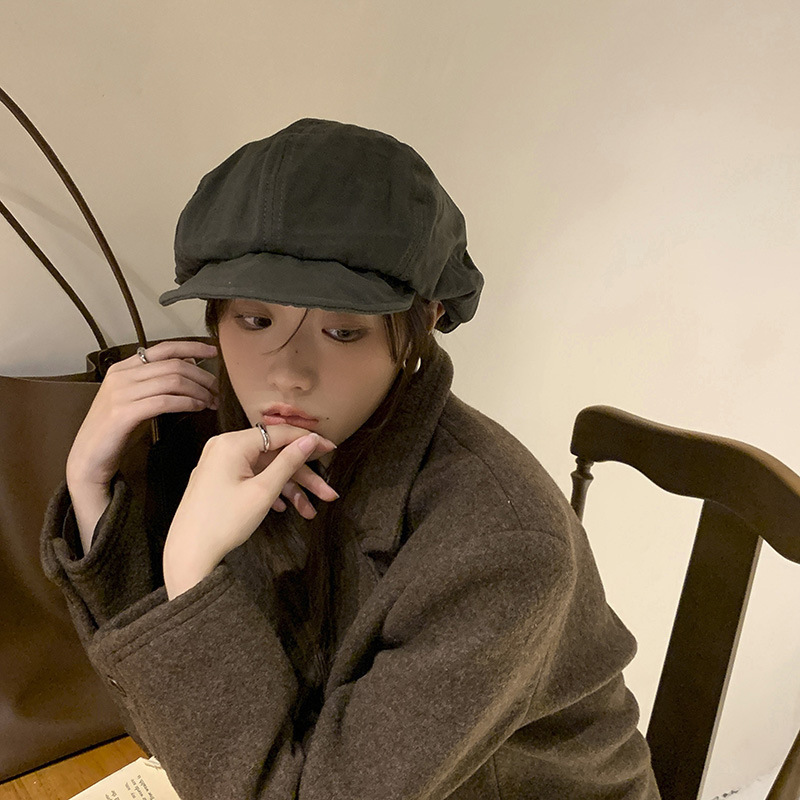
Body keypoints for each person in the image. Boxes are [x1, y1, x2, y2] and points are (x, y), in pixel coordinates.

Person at [41, 118, 660, 799]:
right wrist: (90, 484)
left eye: (342, 331)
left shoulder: (500, 544)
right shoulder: (227, 445)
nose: (289, 373)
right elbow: (175, 724)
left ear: (425, 322)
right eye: (255, 320)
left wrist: (191, 576)